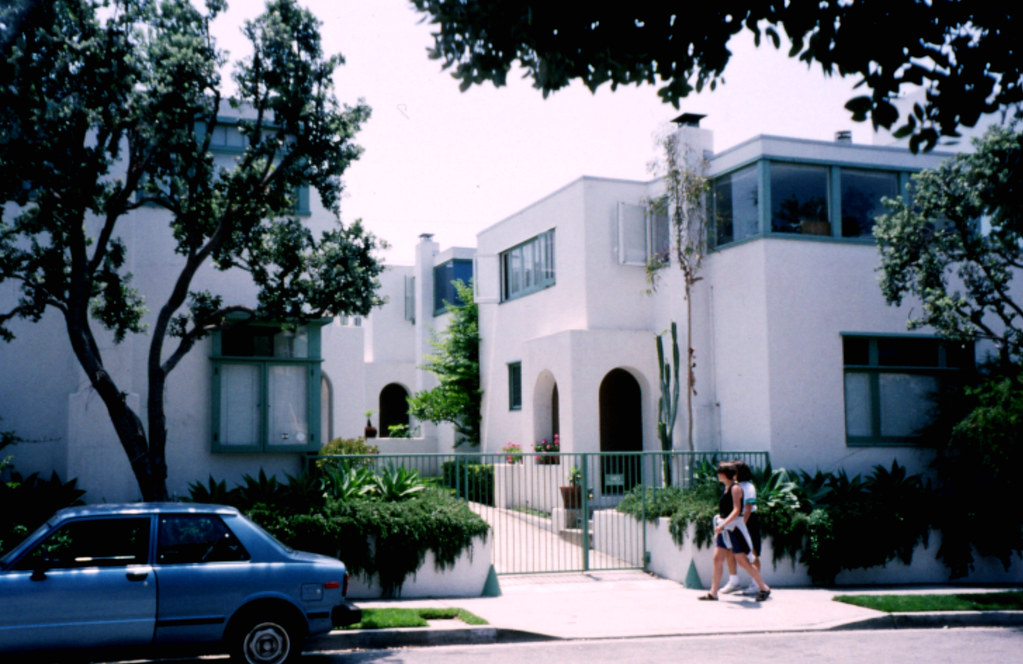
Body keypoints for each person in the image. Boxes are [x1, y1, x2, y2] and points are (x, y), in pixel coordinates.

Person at [698, 461, 771, 602]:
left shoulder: (735, 488)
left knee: (743, 561)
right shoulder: (726, 488)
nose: (718, 475)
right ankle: (713, 593)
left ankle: (764, 588)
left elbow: (737, 510)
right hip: (725, 527)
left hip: (734, 528)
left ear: (724, 474)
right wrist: (722, 523)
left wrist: (723, 524)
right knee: (717, 558)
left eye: (719, 472)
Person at [720, 460, 762, 595]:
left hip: (747, 522)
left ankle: (756, 584)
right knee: (730, 550)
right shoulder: (732, 486)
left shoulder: (748, 487)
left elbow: (748, 509)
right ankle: (733, 581)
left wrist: (740, 525)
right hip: (735, 523)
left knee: (752, 552)